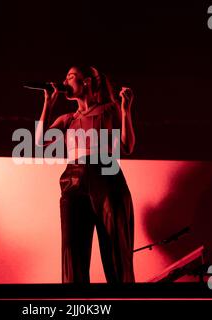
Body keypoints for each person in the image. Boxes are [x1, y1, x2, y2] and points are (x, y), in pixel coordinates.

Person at [35, 65, 136, 283]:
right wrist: (48, 103)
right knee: (72, 249)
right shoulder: (67, 119)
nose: (64, 81)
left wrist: (126, 110)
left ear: (87, 82)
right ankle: (75, 303)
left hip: (106, 175)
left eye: (70, 77)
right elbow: (39, 141)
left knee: (115, 247)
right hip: (73, 179)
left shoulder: (109, 109)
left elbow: (127, 146)